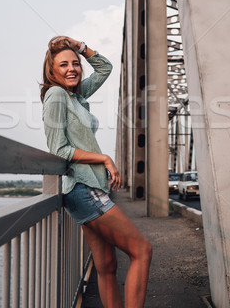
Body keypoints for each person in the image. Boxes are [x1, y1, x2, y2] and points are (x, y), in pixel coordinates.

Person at [41, 36, 152, 308]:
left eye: (75, 63)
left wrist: (80, 46)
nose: (72, 69)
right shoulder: (56, 95)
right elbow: (59, 149)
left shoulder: (75, 96)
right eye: (63, 64)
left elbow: (104, 68)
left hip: (86, 190)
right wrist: (103, 158)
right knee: (142, 250)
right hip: (84, 189)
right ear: (52, 71)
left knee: (107, 266)